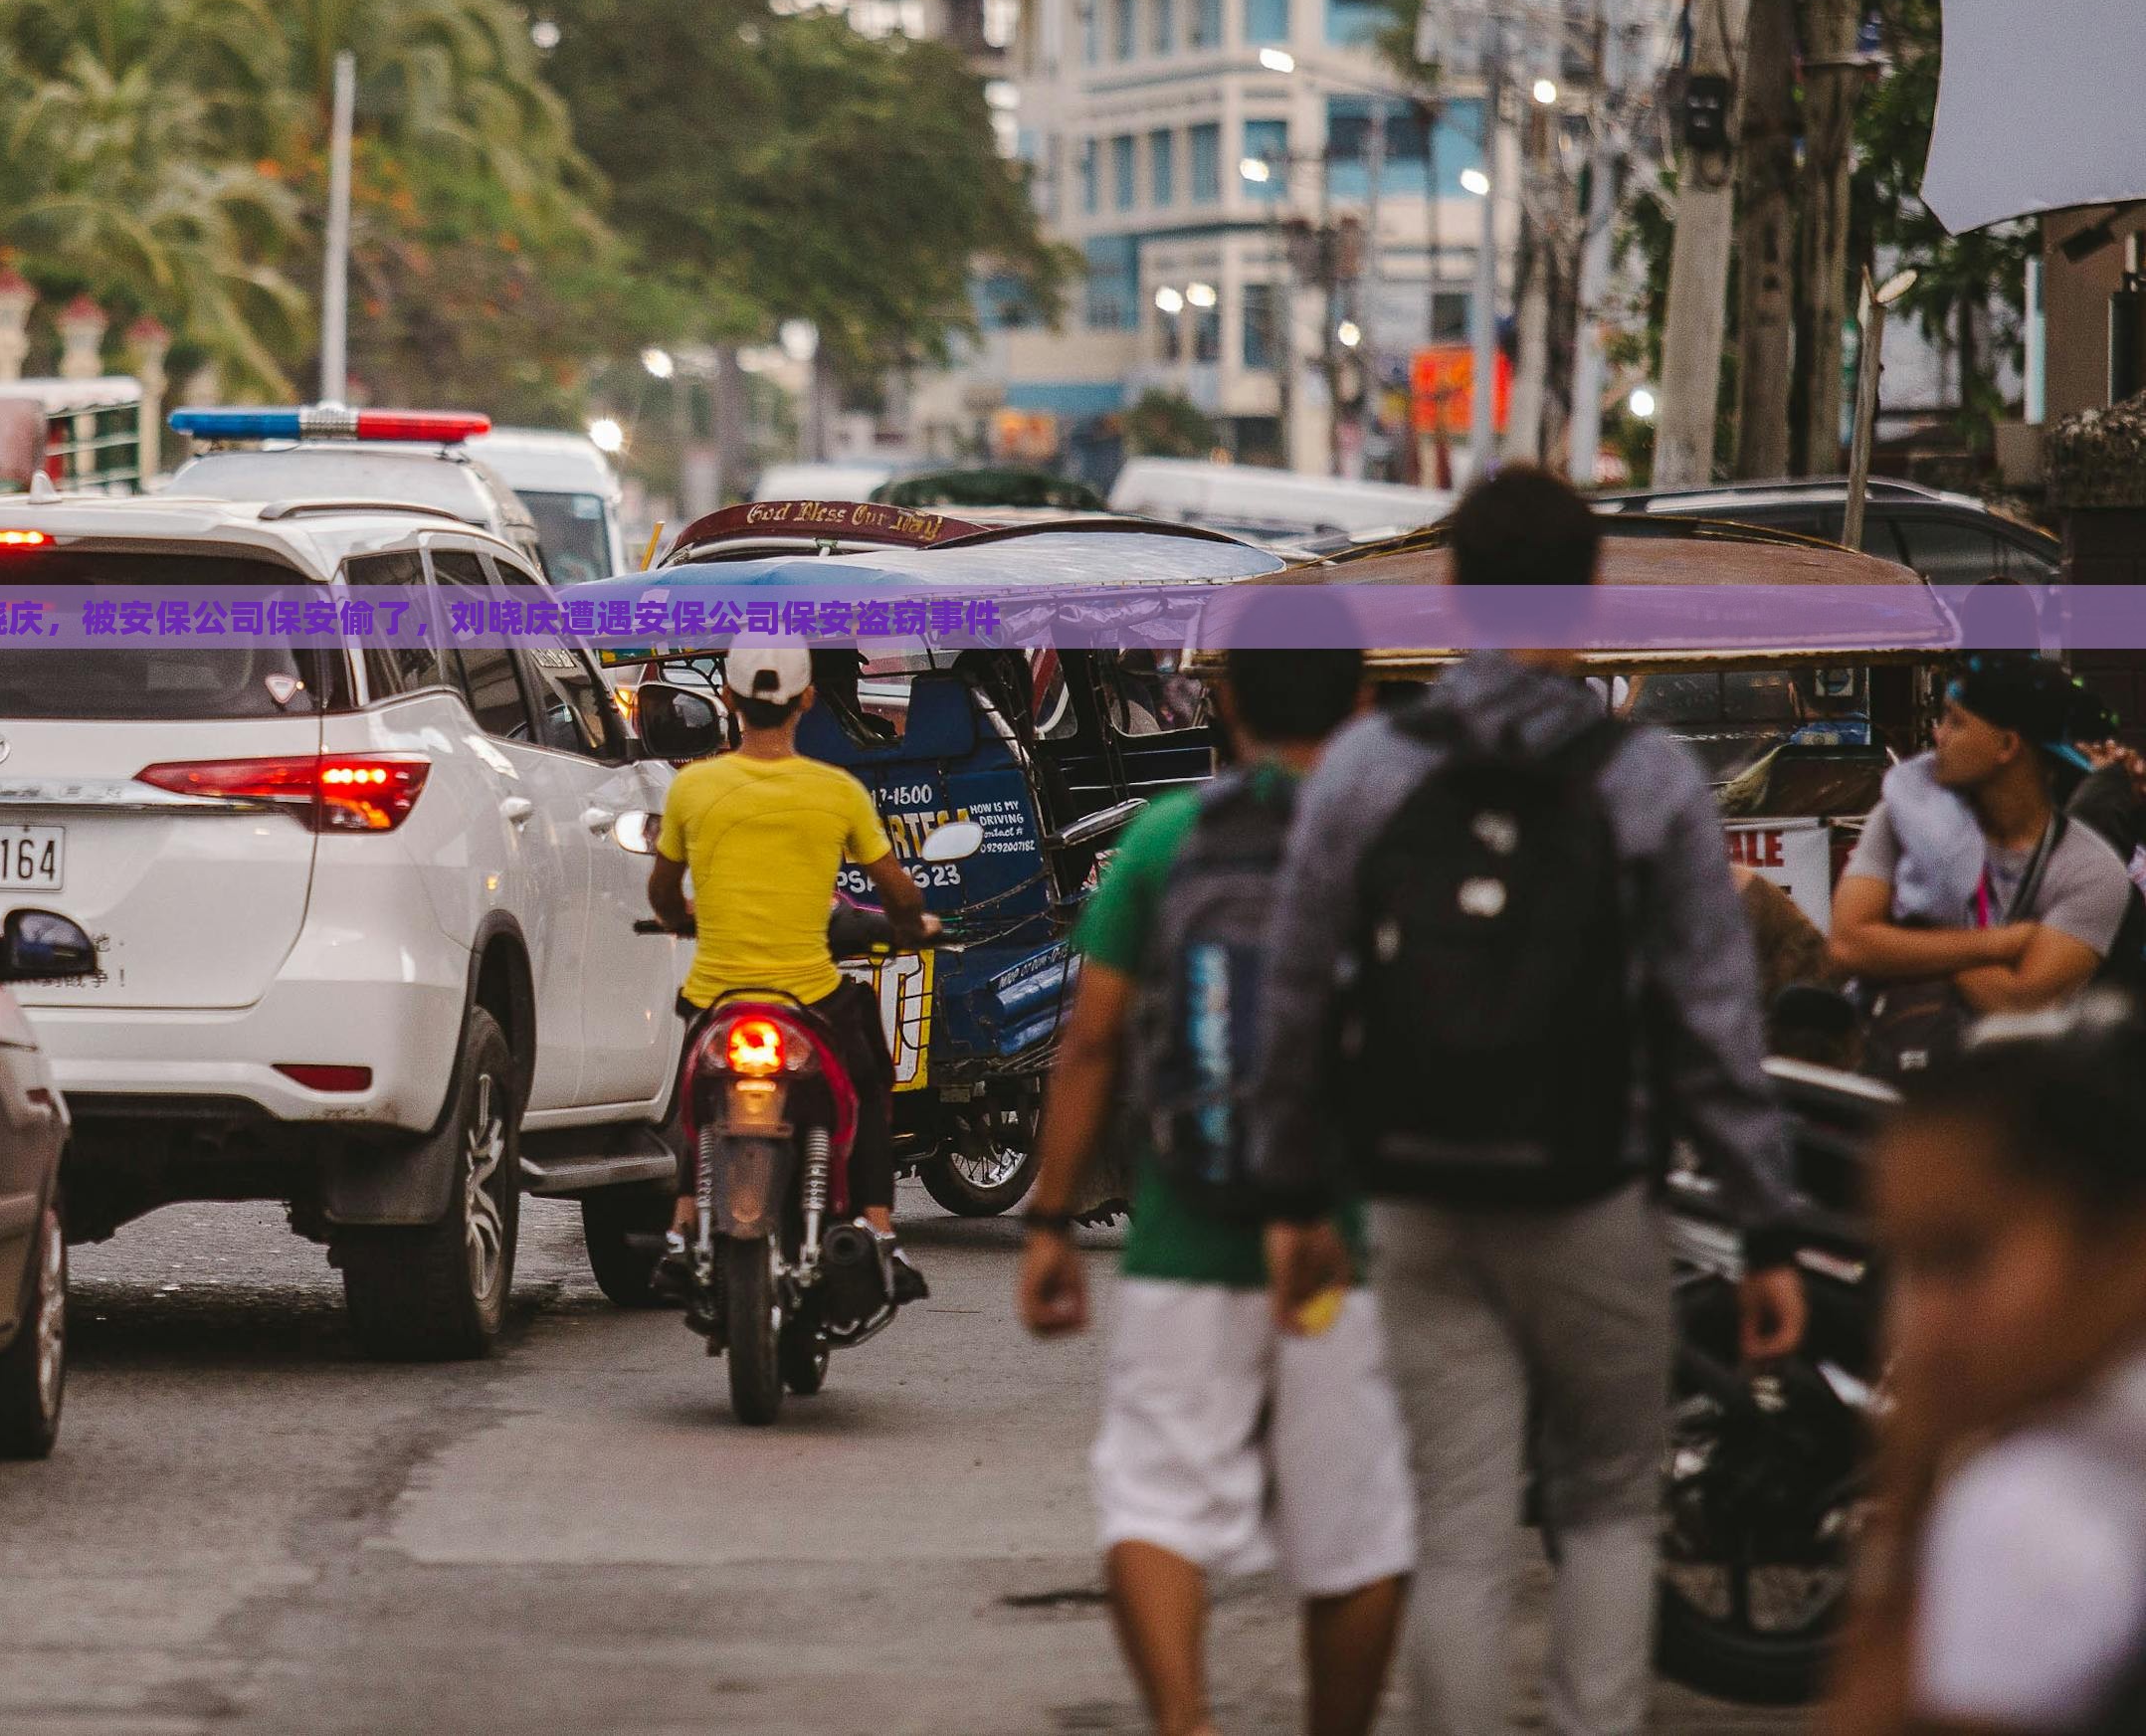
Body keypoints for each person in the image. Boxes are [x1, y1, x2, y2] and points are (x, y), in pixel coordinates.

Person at [1249, 466, 1805, 1736]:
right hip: (1593, 1189)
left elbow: (1297, 1002)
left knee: (1455, 1523)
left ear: (1449, 590)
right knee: (1608, 1503)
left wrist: (1293, 1195)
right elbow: (1710, 1027)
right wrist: (1766, 1224)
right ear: (1589, 592)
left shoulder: (1368, 769)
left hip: (1417, 1189)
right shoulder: (1646, 777)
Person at [1020, 595, 1413, 1736]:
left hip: (1186, 1222)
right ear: (1360, 700)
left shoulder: (1162, 839)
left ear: (1224, 700)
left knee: (1156, 1501)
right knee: (1356, 1534)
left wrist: (1050, 1223)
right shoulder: (1386, 844)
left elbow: (1092, 1039)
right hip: (1349, 1242)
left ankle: (1183, 1724)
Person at [1822, 1014, 2146, 1735]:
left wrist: (1904, 1482)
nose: (1917, 1322)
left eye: (1959, 1259)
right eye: (1903, 1267)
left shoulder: (2032, 1510)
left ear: (2122, 1242)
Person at [647, 633, 935, 1303]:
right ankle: (879, 1226)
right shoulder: (834, 792)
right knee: (866, 1089)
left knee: (695, 1098)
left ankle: (683, 1222)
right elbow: (896, 889)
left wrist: (680, 914)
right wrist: (907, 923)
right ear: (807, 699)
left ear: (728, 698)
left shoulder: (694, 787)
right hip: (811, 995)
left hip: (717, 996)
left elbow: (662, 891)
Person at [1829, 658, 2128, 1074]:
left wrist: (1910, 937)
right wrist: (2005, 944)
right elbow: (1848, 946)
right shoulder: (1901, 819)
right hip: (1887, 1080)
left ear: (2006, 746)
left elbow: (2019, 1004)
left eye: (1956, 722)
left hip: (2012, 1107)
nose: (1938, 735)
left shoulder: (2091, 871)